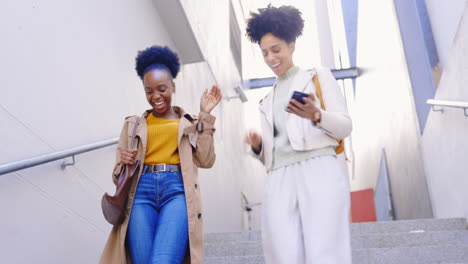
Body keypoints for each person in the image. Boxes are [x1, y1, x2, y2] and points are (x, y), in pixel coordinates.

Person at [244, 5, 353, 264]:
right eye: (265, 53)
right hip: (278, 177)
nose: (271, 58)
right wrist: (259, 148)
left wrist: (317, 115)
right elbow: (274, 154)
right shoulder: (266, 100)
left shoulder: (316, 77)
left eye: (276, 49)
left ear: (291, 45)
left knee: (325, 250)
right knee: (283, 252)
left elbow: (345, 128)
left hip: (319, 168)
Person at [100, 45, 221, 264]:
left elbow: (206, 159)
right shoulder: (132, 125)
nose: (156, 96)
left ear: (173, 86)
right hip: (139, 194)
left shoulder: (192, 123)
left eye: (162, 88)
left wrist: (205, 115)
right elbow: (118, 176)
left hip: (177, 192)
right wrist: (123, 163)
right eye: (149, 91)